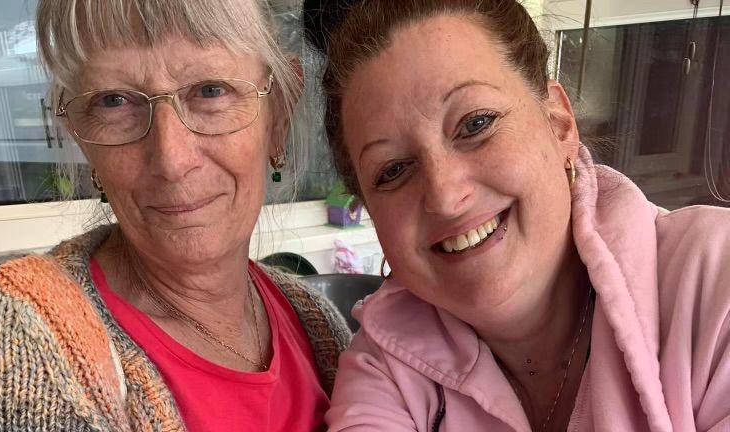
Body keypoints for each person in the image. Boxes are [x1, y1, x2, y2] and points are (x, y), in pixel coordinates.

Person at [302, 0, 730, 430]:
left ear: (559, 123)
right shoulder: (383, 366)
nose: (446, 197)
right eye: (393, 170)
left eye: (475, 124)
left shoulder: (714, 284)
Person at [0, 1, 351, 430]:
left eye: (210, 91)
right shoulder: (16, 338)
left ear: (278, 112)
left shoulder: (319, 328)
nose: (171, 159)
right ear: (81, 136)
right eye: (114, 102)